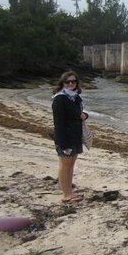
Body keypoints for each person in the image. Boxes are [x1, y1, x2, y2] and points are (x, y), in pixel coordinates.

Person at [52, 71, 88, 203]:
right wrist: (62, 142)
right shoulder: (59, 99)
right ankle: (66, 193)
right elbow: (58, 122)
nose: (71, 84)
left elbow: (78, 114)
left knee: (71, 164)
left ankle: (69, 191)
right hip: (65, 137)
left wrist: (85, 115)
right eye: (68, 82)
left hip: (75, 135)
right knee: (64, 164)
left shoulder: (75, 97)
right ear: (63, 83)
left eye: (74, 81)